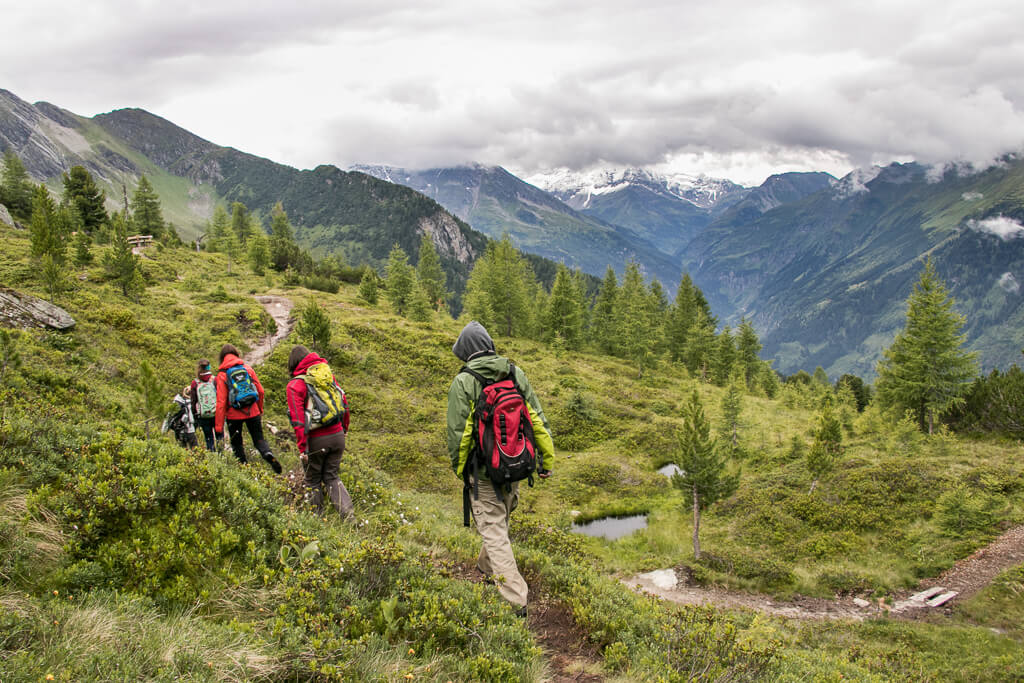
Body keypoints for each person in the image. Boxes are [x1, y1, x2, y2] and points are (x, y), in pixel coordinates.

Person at [446, 321, 554, 616]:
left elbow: (458, 435)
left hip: (483, 472)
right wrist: (546, 460)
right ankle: (485, 566)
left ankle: (515, 600)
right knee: (499, 522)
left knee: (494, 529)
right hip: (516, 464)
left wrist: (463, 472)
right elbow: (536, 418)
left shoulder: (464, 382)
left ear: (467, 352)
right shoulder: (514, 372)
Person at [286, 345, 354, 518]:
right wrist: (344, 429)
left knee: (313, 480)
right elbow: (343, 402)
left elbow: (298, 420)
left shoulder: (295, 385)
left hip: (317, 440)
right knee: (332, 477)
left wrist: (303, 448)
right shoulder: (326, 375)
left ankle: (318, 519)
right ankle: (349, 517)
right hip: (338, 436)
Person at [214, 343, 282, 473]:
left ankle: (244, 470)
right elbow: (260, 391)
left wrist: (218, 427)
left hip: (234, 416)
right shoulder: (247, 369)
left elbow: (221, 403)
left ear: (222, 358)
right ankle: (267, 453)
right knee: (259, 440)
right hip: (253, 411)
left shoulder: (222, 375)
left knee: (237, 445)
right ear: (236, 354)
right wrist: (259, 409)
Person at [190, 359, 218, 450]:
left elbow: (193, 401)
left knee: (208, 438)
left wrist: (195, 415)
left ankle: (212, 458)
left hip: (203, 415)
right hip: (216, 413)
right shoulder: (214, 380)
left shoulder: (195, 383)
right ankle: (223, 457)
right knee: (220, 437)